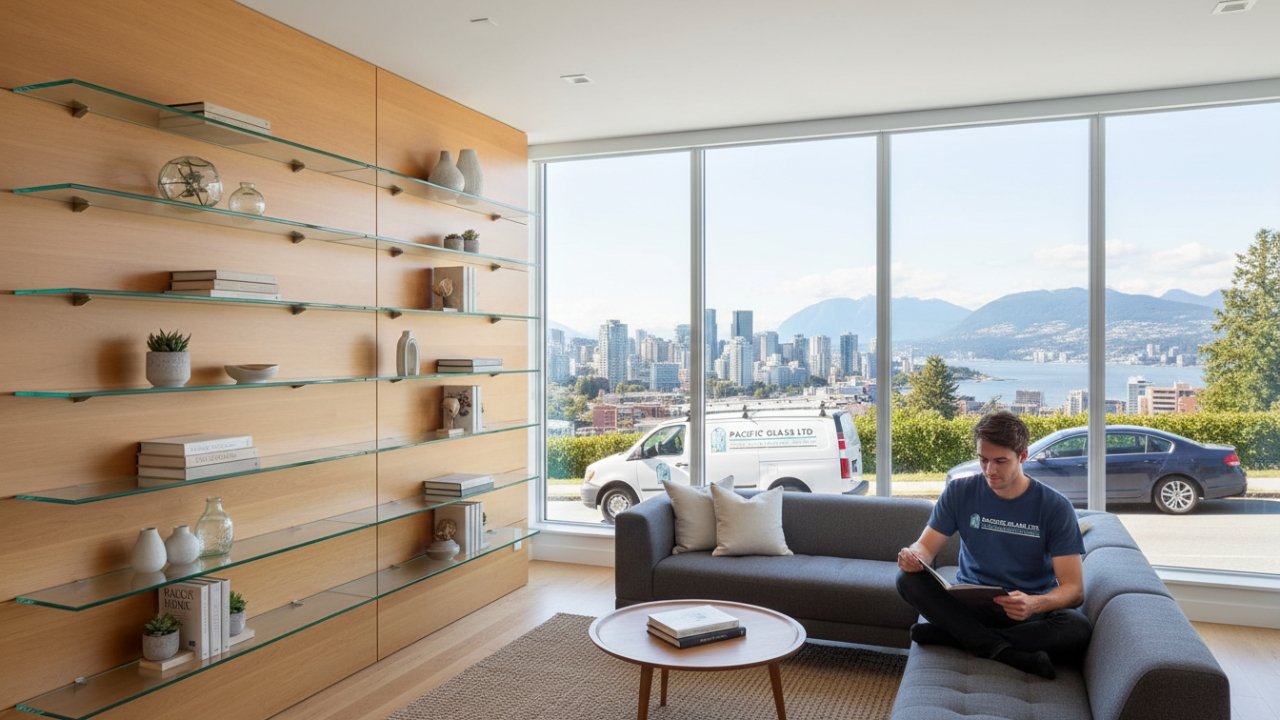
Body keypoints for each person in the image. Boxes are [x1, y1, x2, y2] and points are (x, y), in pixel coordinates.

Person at [895, 411, 1092, 679]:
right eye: (983, 460)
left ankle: (955, 636)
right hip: (968, 604)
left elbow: (1074, 590)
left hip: (1023, 611)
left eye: (1001, 461)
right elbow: (925, 548)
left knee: (1076, 628)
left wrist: (1035, 604)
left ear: (1022, 456)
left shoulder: (1055, 507)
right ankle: (1006, 652)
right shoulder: (959, 492)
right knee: (907, 580)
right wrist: (913, 555)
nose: (990, 470)